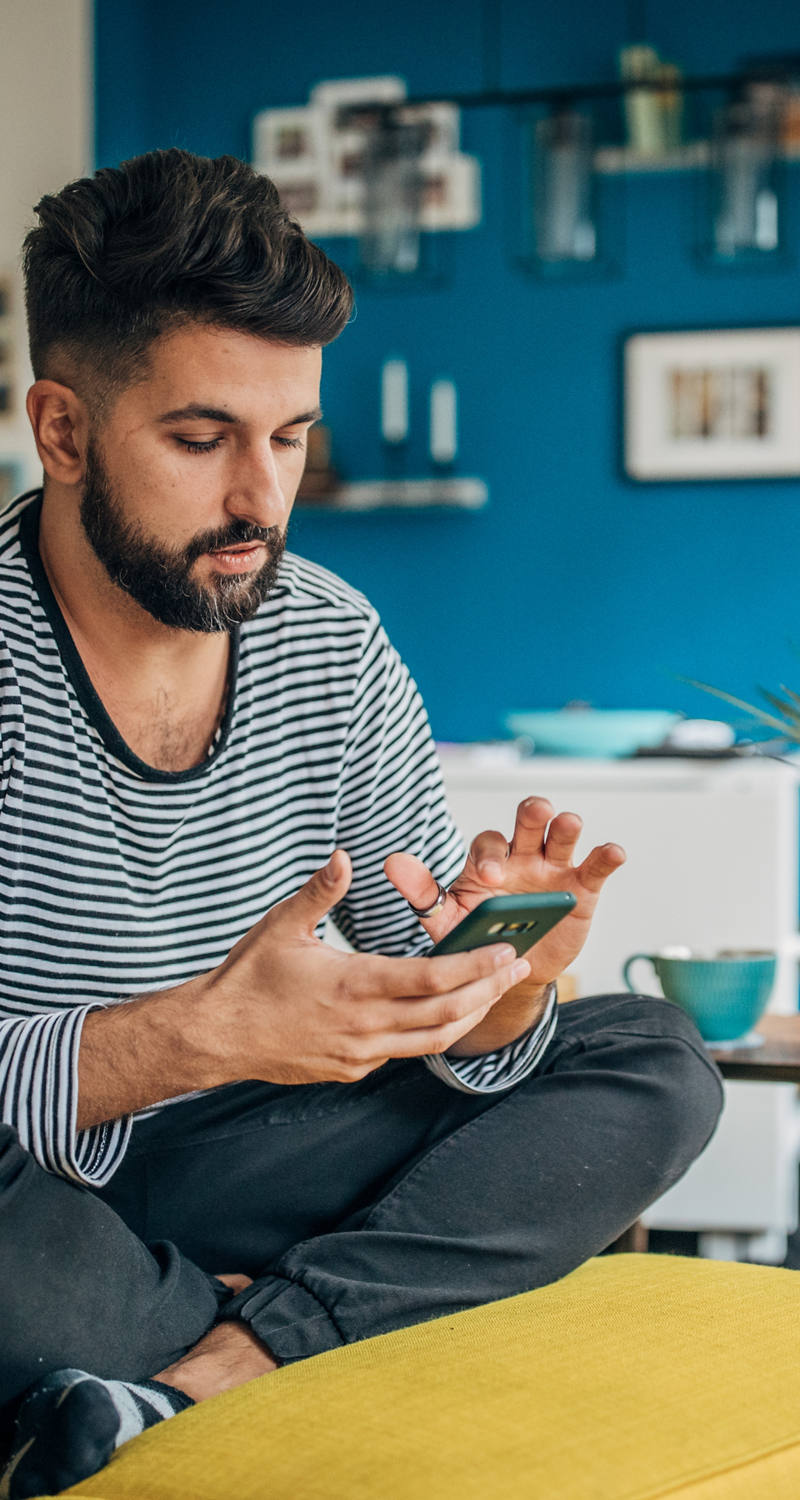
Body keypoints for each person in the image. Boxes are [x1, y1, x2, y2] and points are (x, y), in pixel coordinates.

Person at [0, 148, 723, 1499]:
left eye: (289, 439)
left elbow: (410, 1020)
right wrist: (177, 1038)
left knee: (650, 1059)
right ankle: (311, 1310)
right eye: (202, 440)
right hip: (36, 1186)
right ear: (63, 431)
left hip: (255, 1155)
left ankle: (210, 1360)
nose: (258, 502)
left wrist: (492, 996)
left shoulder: (332, 641)